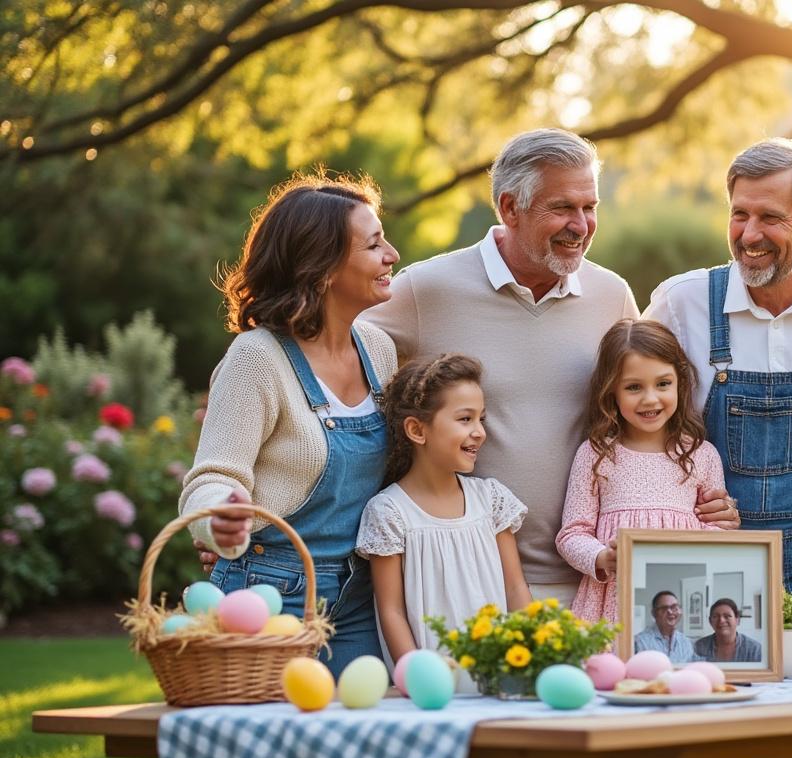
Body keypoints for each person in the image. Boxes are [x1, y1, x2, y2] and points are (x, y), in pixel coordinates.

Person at [364, 129, 740, 608]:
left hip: (591, 582)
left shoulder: (611, 295)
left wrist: (701, 504)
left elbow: (644, 417)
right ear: (510, 208)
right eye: (562, 208)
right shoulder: (426, 290)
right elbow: (334, 350)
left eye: (590, 207)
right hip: (465, 575)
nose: (580, 225)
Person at [181, 173, 400, 677]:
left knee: (362, 724)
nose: (391, 255)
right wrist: (219, 518)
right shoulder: (256, 359)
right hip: (266, 594)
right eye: (373, 245)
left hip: (359, 594)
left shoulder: (379, 350)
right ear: (322, 269)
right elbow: (213, 476)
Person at [644, 138, 792, 638]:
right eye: (739, 214)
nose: (750, 234)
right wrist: (679, 491)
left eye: (771, 218)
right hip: (712, 554)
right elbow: (628, 418)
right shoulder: (682, 303)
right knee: (711, 682)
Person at [356, 355, 532, 662]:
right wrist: (418, 677)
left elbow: (516, 589)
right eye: (465, 419)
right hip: (431, 680)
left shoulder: (491, 500)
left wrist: (535, 658)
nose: (480, 432)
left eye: (481, 419)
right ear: (417, 430)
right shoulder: (389, 513)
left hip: (499, 675)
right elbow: (392, 612)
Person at [555, 319, 725, 624]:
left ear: (680, 382)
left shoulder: (702, 455)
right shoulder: (595, 454)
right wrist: (603, 557)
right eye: (634, 387)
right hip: (612, 606)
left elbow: (718, 532)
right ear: (612, 391)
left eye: (663, 384)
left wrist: (686, 553)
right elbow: (572, 534)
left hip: (681, 600)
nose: (650, 398)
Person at [632, 590, 696, 663]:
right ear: (654, 613)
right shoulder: (640, 642)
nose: (670, 612)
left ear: (680, 611)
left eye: (674, 607)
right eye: (664, 608)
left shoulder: (686, 642)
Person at [693, 598, 762, 662]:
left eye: (727, 616)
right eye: (715, 616)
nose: (721, 620)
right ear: (710, 621)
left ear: (737, 620)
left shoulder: (755, 649)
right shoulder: (699, 646)